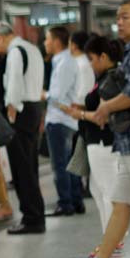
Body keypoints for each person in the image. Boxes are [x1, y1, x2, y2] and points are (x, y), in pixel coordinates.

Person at [62, 0, 130, 258]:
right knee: (120, 204)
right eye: (118, 17)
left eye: (126, 17)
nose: (120, 22)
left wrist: (105, 109)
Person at [60, 36, 124, 255]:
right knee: (98, 190)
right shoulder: (103, 78)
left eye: (92, 58)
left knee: (108, 193)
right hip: (95, 142)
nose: (89, 63)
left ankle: (113, 242)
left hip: (104, 143)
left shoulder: (111, 80)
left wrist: (78, 114)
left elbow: (103, 117)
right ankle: (110, 239)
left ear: (104, 57)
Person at [0, 21, 46, 234]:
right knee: (30, 166)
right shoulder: (32, 48)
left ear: (0, 38)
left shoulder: (15, 53)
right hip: (34, 108)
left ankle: (32, 218)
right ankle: (35, 214)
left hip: (20, 112)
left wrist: (11, 111)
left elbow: (13, 85)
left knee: (22, 169)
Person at [42, 26, 84, 216]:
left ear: (57, 42)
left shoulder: (64, 63)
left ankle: (66, 203)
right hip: (65, 120)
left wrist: (42, 94)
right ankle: (75, 201)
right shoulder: (64, 61)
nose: (45, 43)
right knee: (68, 163)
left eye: (47, 39)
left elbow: (57, 95)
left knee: (60, 164)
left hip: (60, 120)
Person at [70, 31, 95, 106]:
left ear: (74, 46)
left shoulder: (82, 65)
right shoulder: (79, 63)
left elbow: (84, 91)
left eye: (68, 43)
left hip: (79, 109)